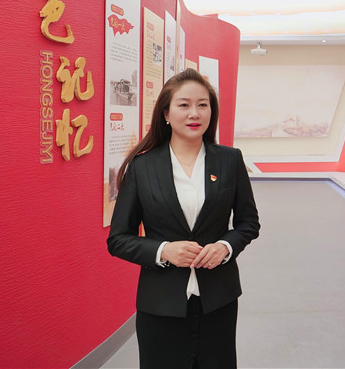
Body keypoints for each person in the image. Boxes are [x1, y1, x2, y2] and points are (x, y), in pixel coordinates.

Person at [107, 68, 260, 369]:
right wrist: (164, 251)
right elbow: (118, 239)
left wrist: (225, 247)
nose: (195, 113)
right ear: (166, 113)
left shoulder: (230, 160)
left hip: (218, 299)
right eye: (184, 104)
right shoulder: (142, 167)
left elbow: (248, 223)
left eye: (203, 104)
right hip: (160, 303)